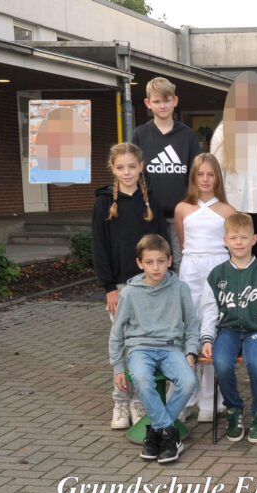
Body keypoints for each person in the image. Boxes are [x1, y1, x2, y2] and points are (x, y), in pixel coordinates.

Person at [92, 142, 168, 430]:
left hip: (150, 286)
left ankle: (138, 401)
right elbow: (100, 248)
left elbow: (162, 246)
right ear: (113, 169)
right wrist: (109, 287)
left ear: (141, 167)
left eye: (132, 167)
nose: (127, 172)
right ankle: (120, 403)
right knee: (122, 345)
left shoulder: (152, 204)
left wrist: (164, 282)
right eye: (121, 167)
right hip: (121, 288)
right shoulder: (103, 204)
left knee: (143, 345)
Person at [109, 234, 199, 464]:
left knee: (189, 381)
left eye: (160, 261)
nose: (156, 267)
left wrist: (191, 352)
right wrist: (118, 367)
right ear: (140, 263)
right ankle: (169, 434)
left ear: (169, 260)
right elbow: (117, 332)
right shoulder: (130, 292)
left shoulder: (180, 288)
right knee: (142, 379)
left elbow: (192, 325)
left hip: (171, 349)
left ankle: (157, 433)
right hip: (140, 349)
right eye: (149, 262)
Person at [198, 213, 257, 444]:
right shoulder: (217, 274)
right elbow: (209, 310)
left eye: (244, 238)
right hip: (228, 330)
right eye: (234, 238)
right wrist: (207, 338)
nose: (239, 243)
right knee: (221, 363)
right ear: (225, 240)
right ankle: (234, 409)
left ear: (254, 239)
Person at [175, 153, 236, 423]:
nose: (205, 179)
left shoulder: (228, 210)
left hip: (218, 267)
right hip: (191, 269)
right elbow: (183, 242)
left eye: (210, 174)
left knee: (214, 331)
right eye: (200, 174)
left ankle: (211, 399)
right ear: (193, 178)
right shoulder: (182, 208)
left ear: (218, 178)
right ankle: (186, 397)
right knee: (189, 330)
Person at [132, 77, 203, 272]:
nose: (162, 106)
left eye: (167, 100)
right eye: (156, 101)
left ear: (175, 101)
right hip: (150, 214)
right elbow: (134, 173)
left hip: (181, 214)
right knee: (154, 263)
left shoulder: (188, 136)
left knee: (180, 262)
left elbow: (196, 175)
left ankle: (180, 293)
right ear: (148, 103)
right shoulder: (140, 134)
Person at [210, 71, 257, 263]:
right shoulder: (223, 131)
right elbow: (216, 174)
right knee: (232, 256)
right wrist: (219, 206)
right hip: (232, 206)